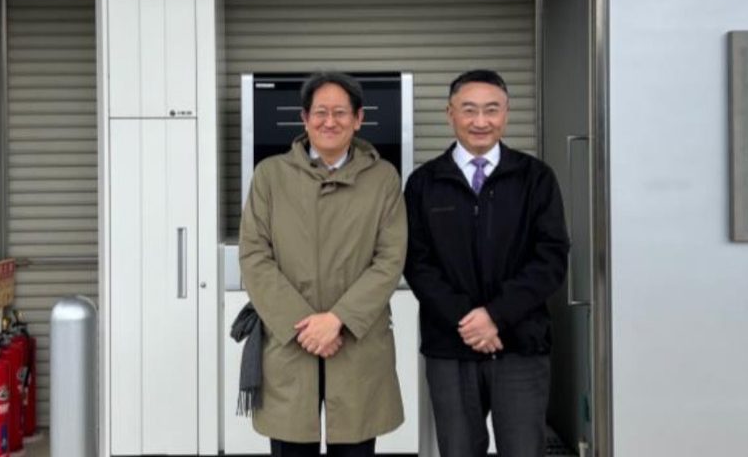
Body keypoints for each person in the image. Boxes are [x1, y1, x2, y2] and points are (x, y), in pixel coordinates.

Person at [238, 71, 407, 457]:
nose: (329, 122)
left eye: (340, 113)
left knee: (356, 446)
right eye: (320, 112)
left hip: (356, 341)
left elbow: (390, 258)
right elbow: (254, 254)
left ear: (359, 119)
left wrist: (337, 320)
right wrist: (304, 325)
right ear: (304, 118)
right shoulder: (270, 176)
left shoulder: (382, 178)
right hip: (290, 341)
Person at [403, 69, 570, 457]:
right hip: (451, 345)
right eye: (469, 110)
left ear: (506, 114)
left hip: (520, 345)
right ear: (450, 114)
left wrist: (496, 315)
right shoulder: (424, 183)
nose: (481, 121)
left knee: (524, 449)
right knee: (458, 449)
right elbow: (417, 263)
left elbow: (550, 258)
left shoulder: (535, 178)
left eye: (491, 110)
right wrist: (469, 320)